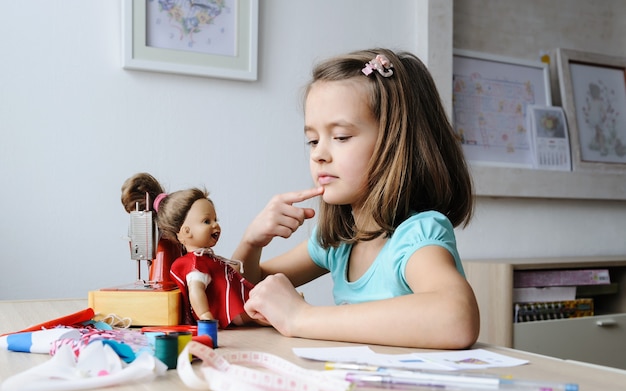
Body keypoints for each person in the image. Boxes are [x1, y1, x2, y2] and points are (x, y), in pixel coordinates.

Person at [233, 49, 480, 349]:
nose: (319, 154)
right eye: (313, 140)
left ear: (395, 143)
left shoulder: (416, 238)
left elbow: (456, 317)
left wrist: (300, 317)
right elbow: (245, 291)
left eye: (340, 137)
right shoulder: (339, 243)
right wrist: (251, 243)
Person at [121, 173, 257, 328]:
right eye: (207, 221)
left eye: (215, 220)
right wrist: (206, 317)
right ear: (185, 231)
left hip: (242, 304)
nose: (215, 225)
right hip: (239, 309)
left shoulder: (203, 258)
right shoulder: (195, 263)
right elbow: (196, 290)